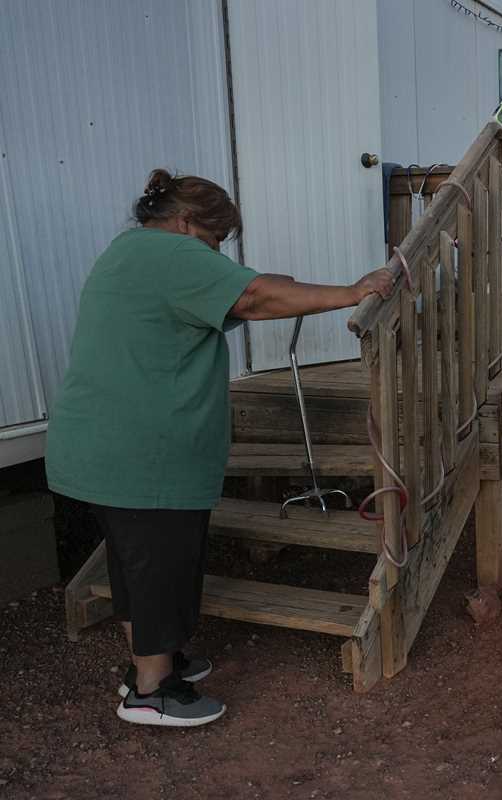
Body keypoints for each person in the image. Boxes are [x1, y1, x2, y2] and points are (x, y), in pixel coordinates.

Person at [45, 169, 394, 727]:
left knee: (136, 564)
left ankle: (155, 662)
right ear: (186, 223)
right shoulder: (173, 255)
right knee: (158, 566)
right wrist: (352, 292)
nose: (215, 255)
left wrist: (282, 287)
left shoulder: (128, 252)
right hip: (141, 452)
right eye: (214, 241)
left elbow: (247, 289)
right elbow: (253, 296)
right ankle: (152, 691)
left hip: (101, 445)